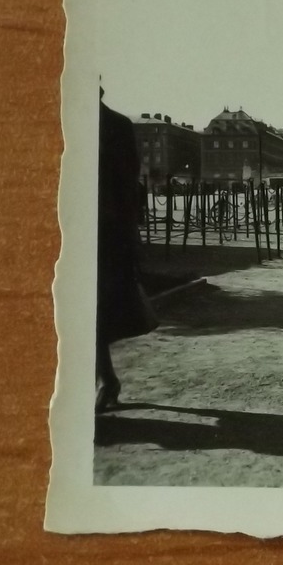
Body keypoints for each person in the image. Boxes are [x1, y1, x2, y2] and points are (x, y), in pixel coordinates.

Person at [96, 95, 157, 412]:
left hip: (105, 232)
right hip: (70, 226)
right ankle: (104, 379)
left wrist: (130, 235)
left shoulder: (116, 126)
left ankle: (106, 380)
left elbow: (127, 186)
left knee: (94, 312)